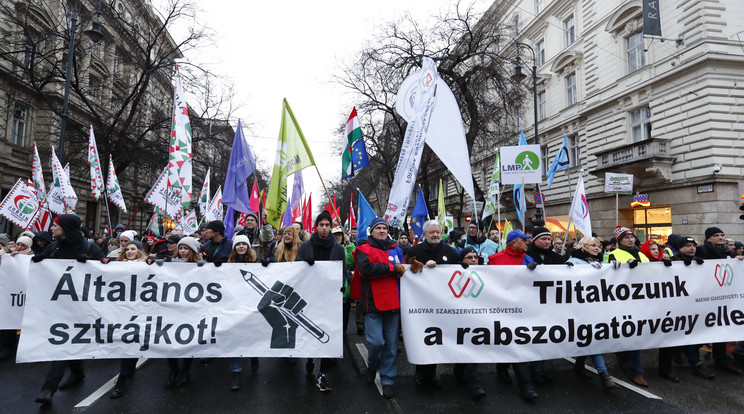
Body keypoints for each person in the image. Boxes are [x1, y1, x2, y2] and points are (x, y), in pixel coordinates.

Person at [33, 214, 105, 405]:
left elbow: (108, 272)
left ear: (65, 228)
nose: (51, 229)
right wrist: (29, 260)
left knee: (63, 343)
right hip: (59, 305)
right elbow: (37, 261)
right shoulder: (54, 247)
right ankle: (77, 372)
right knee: (68, 341)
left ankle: (48, 389)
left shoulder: (89, 247)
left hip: (83, 306)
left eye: (55, 225)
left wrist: (92, 262)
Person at [352, 217, 405, 399]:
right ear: (371, 231)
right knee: (376, 343)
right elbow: (367, 270)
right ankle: (372, 366)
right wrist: (391, 268)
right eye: (378, 228)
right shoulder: (363, 249)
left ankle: (388, 379)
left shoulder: (396, 249)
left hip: (394, 304)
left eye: (384, 228)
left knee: (391, 346)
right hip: (372, 304)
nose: (382, 231)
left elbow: (403, 269)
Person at [296, 211, 348, 392]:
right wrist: (304, 264)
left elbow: (343, 271)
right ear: (316, 227)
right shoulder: (305, 247)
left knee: (327, 332)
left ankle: (323, 372)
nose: (324, 228)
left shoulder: (338, 248)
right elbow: (295, 269)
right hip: (309, 297)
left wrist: (341, 286)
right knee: (311, 330)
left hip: (329, 299)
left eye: (327, 225)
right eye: (321, 225)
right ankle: (310, 358)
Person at [405, 220, 459, 389]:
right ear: (425, 234)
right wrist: (422, 266)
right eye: (432, 232)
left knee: (437, 339)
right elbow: (407, 269)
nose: (435, 235)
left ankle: (432, 374)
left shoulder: (450, 251)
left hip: (444, 303)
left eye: (438, 232)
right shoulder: (415, 250)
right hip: (421, 304)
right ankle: (420, 372)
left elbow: (458, 270)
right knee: (423, 338)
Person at [655, 236, 715, 382]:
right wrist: (663, 264)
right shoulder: (673, 262)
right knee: (668, 340)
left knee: (695, 336)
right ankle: (665, 369)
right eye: (688, 246)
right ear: (680, 248)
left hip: (692, 308)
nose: (692, 248)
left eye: (694, 245)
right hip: (672, 309)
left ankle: (695, 363)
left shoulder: (699, 262)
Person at [487, 230, 538, 401]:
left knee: (519, 344)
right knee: (512, 342)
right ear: (514, 242)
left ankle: (524, 383)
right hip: (503, 308)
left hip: (523, 308)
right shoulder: (495, 259)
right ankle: (522, 382)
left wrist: (535, 270)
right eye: (524, 240)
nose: (527, 243)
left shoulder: (528, 259)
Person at [565, 237, 619, 390]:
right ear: (583, 246)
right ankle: (604, 375)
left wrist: (617, 269)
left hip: (598, 308)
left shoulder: (603, 262)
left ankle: (580, 364)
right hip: (581, 308)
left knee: (589, 338)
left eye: (598, 246)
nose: (597, 248)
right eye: (593, 245)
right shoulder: (574, 262)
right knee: (591, 338)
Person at [605, 226, 649, 387]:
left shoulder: (643, 255)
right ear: (619, 241)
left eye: (632, 237)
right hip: (624, 300)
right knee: (633, 335)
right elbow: (610, 276)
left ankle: (622, 354)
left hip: (643, 298)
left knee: (635, 333)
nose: (631, 239)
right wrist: (625, 269)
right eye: (626, 237)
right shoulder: (613, 254)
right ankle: (636, 372)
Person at [695, 227, 742, 375]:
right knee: (700, 331)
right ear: (708, 238)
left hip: (724, 299)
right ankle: (694, 361)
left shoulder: (729, 253)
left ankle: (721, 360)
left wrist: (739, 260)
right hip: (705, 298)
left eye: (722, 235)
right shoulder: (701, 251)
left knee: (722, 330)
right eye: (716, 235)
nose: (720, 237)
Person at [452, 247, 487, 399]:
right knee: (467, 348)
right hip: (460, 318)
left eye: (475, 257)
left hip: (479, 318)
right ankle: (476, 384)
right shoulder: (454, 274)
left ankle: (460, 372)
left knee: (471, 348)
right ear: (462, 260)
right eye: (469, 257)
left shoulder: (488, 274)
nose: (473, 260)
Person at [226, 235, 260, 390]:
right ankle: (236, 373)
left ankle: (254, 355)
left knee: (251, 336)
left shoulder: (256, 263)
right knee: (236, 339)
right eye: (238, 244)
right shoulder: (228, 264)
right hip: (234, 306)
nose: (240, 247)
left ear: (248, 247)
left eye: (243, 244)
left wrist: (267, 268)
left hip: (252, 306)